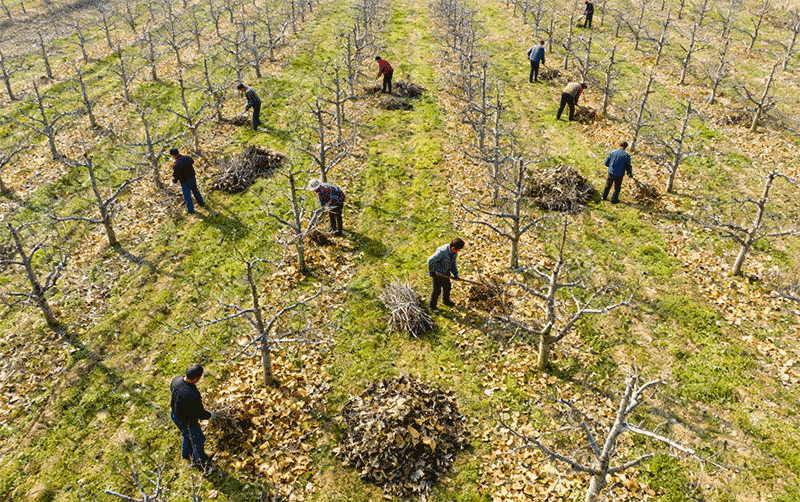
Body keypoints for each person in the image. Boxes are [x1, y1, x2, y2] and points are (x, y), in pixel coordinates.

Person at [170, 364, 215, 467]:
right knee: (199, 439)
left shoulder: (176, 380)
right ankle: (199, 460)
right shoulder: (193, 394)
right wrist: (211, 415)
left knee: (186, 435)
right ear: (196, 378)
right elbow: (200, 414)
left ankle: (185, 454)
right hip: (188, 422)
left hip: (175, 415)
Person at [427, 238, 465, 312]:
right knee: (437, 291)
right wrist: (432, 271)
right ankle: (432, 306)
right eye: (458, 249)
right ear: (453, 248)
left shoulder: (454, 253)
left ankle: (446, 301)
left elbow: (453, 264)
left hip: (445, 273)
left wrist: (456, 274)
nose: (459, 251)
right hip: (437, 274)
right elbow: (430, 260)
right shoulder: (442, 252)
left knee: (447, 287)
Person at [170, 148, 205, 214]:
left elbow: (176, 176)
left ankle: (190, 210)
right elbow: (192, 161)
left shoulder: (176, 165)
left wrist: (174, 181)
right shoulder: (187, 157)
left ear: (173, 155)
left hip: (185, 182)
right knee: (195, 190)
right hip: (192, 178)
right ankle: (201, 203)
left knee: (187, 196)